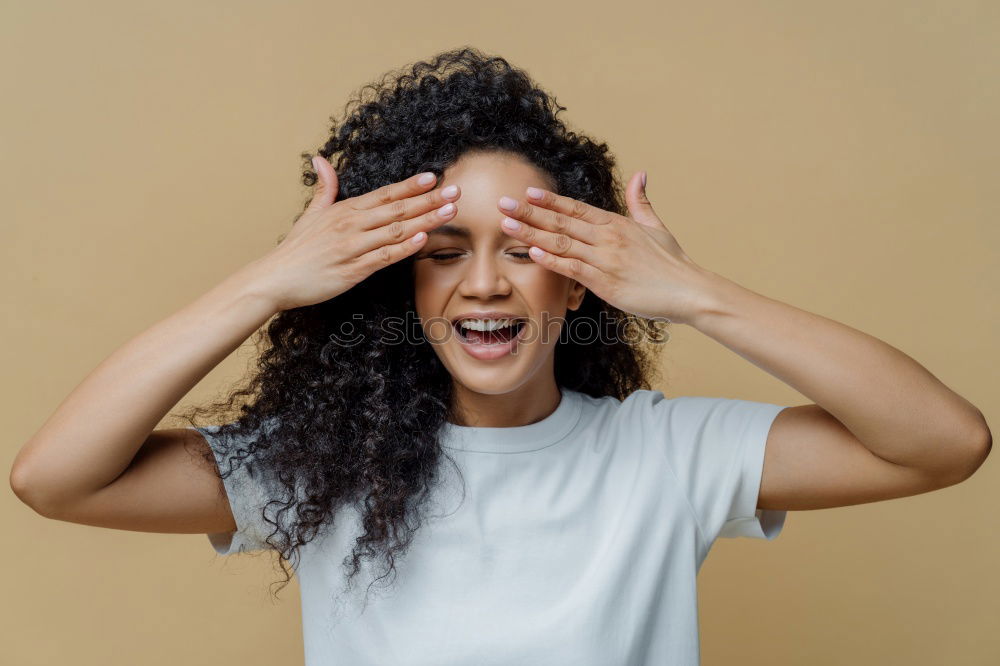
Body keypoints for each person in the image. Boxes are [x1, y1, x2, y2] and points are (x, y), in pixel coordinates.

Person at [10, 47, 991, 666]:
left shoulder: (668, 457)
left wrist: (694, 294)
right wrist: (267, 282)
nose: (484, 283)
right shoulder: (321, 466)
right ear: (403, 286)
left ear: (579, 281)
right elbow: (54, 479)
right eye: (442, 256)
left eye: (525, 252)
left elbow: (942, 444)